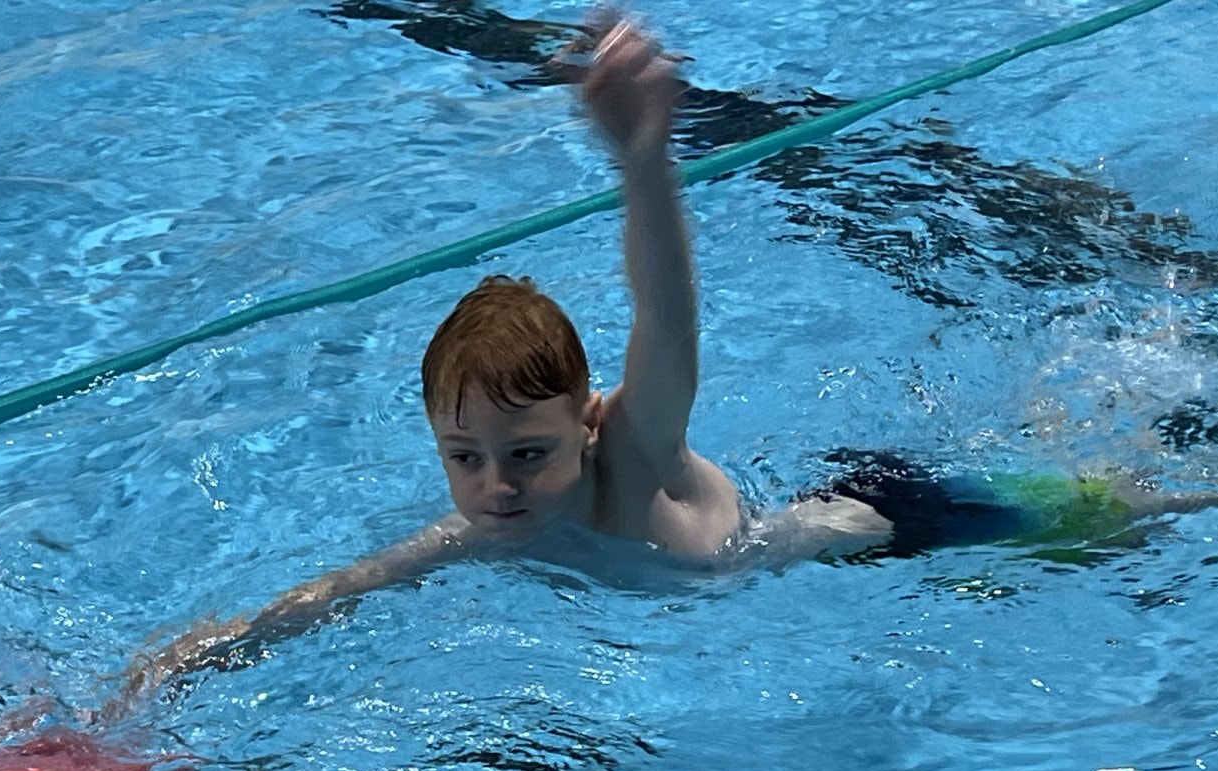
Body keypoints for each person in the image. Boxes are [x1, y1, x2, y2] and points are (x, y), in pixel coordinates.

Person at [112, 15, 891, 707]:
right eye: (465, 457)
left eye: (527, 453)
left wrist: (644, 159)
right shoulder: (485, 528)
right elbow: (342, 591)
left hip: (833, 536)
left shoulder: (634, 453)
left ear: (588, 421)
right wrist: (175, 670)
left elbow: (667, 318)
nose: (497, 485)